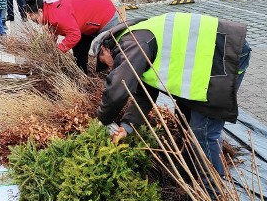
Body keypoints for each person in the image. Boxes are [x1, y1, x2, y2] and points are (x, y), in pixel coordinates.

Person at [92, 12, 251, 178]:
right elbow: (144, 96)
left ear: (105, 48)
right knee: (184, 118)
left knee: (202, 131)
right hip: (210, 59)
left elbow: (117, 90)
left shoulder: (132, 44)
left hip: (225, 53)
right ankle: (193, 173)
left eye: (103, 62)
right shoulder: (136, 41)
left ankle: (213, 192)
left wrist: (103, 120)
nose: (109, 68)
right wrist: (126, 127)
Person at [24, 0, 120, 73]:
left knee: (104, 53)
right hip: (87, 21)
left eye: (35, 19)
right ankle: (82, 73)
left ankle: (113, 76)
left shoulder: (57, 15)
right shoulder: (49, 7)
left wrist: (59, 49)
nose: (35, 22)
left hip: (106, 14)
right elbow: (61, 29)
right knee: (79, 49)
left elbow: (74, 35)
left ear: (40, 11)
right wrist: (50, 44)